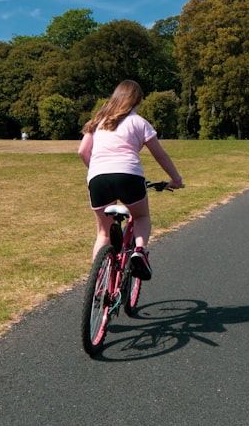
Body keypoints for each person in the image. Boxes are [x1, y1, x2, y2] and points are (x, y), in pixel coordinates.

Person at [78, 80, 184, 280]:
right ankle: (140, 251)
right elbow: (160, 155)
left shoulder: (98, 121)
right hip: (129, 176)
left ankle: (98, 283)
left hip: (98, 178)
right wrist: (175, 179)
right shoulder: (138, 121)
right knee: (141, 217)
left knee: (103, 233)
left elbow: (83, 151)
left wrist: (97, 170)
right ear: (136, 101)